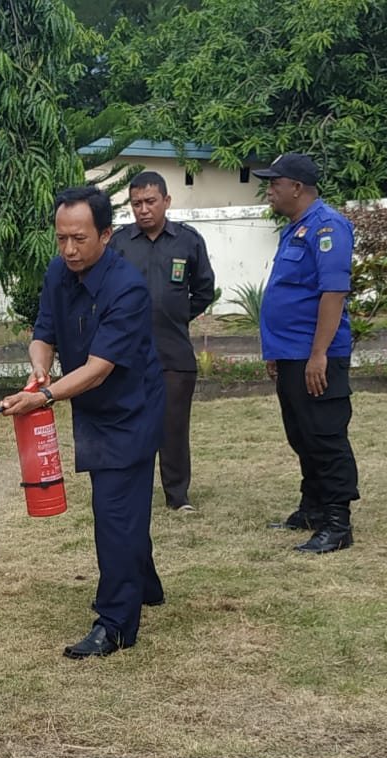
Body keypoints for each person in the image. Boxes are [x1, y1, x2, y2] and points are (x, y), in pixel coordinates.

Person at [1, 186, 165, 659]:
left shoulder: (127, 289)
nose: (69, 250)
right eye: (60, 239)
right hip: (90, 405)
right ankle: (145, 585)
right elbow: (43, 332)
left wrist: (46, 396)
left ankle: (114, 623)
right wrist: (39, 368)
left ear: (106, 235)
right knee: (123, 509)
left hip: (131, 410)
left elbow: (99, 368)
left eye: (79, 239)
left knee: (114, 511)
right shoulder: (59, 271)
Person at [254, 153, 358, 553]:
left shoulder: (327, 226)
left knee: (325, 435)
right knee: (301, 433)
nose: (269, 190)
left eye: (274, 183)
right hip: (291, 354)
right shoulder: (294, 229)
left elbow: (333, 293)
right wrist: (275, 351)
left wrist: (319, 355)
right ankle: (312, 507)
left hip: (316, 356)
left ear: (296, 187)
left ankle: (337, 521)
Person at [109, 171, 215, 512]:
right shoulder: (119, 243)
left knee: (173, 428)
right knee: (129, 426)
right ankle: (128, 493)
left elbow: (203, 290)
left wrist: (176, 313)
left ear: (166, 201)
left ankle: (177, 497)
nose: (143, 210)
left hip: (173, 352)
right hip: (127, 355)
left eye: (150, 202)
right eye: (136, 203)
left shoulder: (188, 241)